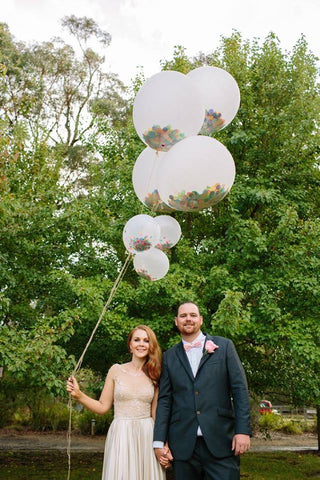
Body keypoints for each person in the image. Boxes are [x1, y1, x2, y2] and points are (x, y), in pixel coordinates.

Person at [153, 301, 252, 480]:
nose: (188, 319)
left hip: (222, 442)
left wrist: (243, 431)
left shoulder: (225, 347)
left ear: (201, 319)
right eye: (183, 316)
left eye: (192, 315)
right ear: (176, 321)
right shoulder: (168, 357)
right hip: (183, 446)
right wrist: (159, 441)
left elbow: (240, 390)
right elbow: (165, 400)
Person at [67, 325, 168, 480]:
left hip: (147, 434)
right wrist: (79, 395)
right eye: (137, 340)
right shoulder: (116, 370)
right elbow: (102, 407)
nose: (141, 344)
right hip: (121, 433)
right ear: (130, 345)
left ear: (151, 345)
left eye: (146, 340)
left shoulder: (155, 373)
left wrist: (163, 443)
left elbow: (156, 414)